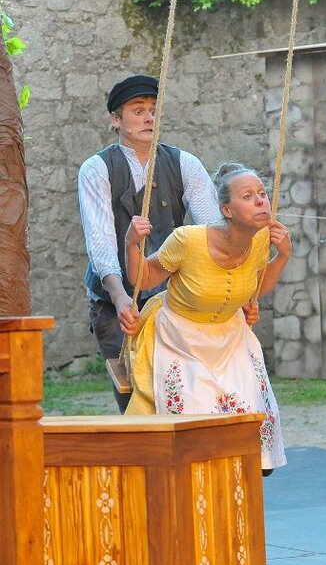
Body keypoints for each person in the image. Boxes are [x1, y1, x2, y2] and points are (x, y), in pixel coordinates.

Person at [122, 162, 290, 474]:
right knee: (194, 421)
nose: (261, 201)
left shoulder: (262, 240)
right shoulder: (188, 240)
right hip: (181, 339)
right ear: (227, 210)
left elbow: (258, 288)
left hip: (230, 337)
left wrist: (282, 256)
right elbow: (142, 278)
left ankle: (239, 489)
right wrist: (132, 242)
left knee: (252, 422)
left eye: (262, 194)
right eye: (248, 195)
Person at [77, 74, 221, 412]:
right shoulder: (96, 169)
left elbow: (212, 231)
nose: (148, 118)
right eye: (138, 110)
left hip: (174, 300)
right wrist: (120, 295)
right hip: (115, 301)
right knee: (133, 395)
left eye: (154, 110)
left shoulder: (185, 163)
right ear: (116, 120)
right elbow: (100, 241)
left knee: (182, 392)